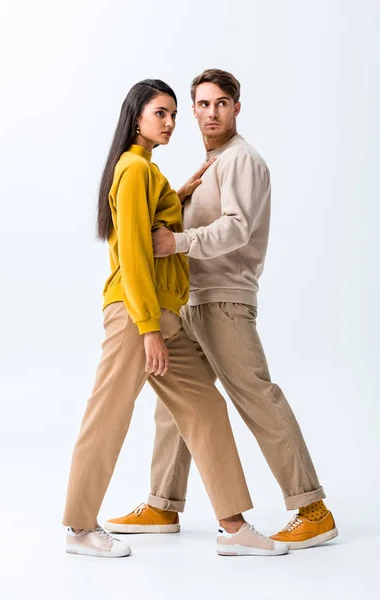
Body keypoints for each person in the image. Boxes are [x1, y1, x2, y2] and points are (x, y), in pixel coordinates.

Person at [105, 70, 338, 551]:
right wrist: (183, 197)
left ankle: (312, 508)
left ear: (236, 108)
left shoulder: (242, 160)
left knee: (256, 396)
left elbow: (237, 229)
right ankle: (163, 503)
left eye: (222, 103)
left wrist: (178, 241)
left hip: (226, 300)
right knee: (179, 404)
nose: (212, 112)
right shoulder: (212, 164)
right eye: (203, 104)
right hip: (193, 300)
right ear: (193, 110)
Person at [62, 78, 289, 558]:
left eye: (171, 115)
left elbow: (155, 225)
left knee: (205, 406)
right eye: (159, 114)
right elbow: (137, 256)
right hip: (135, 314)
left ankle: (233, 526)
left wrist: (177, 193)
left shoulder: (148, 172)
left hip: (164, 315)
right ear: (136, 117)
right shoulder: (132, 169)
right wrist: (148, 330)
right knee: (109, 414)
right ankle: (80, 528)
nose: (169, 123)